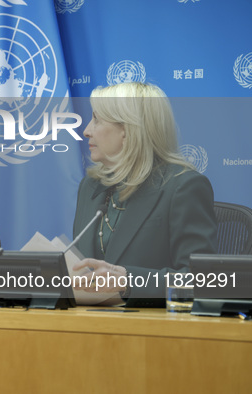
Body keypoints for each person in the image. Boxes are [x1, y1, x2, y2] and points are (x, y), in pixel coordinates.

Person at [71, 82, 217, 308]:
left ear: (128, 131)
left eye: (97, 119)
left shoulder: (183, 186)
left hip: (153, 330)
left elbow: (202, 281)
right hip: (86, 324)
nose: (87, 130)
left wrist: (129, 281)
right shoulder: (90, 186)